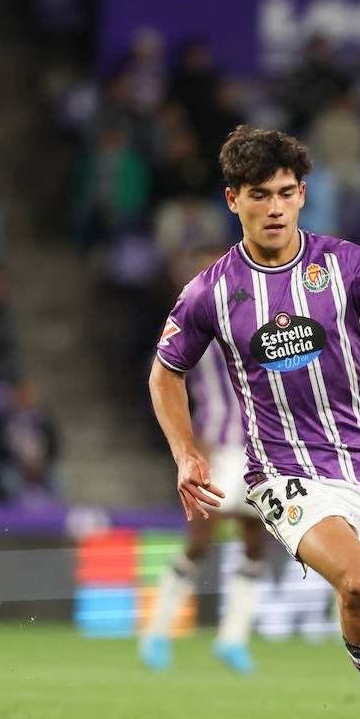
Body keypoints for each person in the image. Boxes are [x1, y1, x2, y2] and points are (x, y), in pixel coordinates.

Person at [149, 125, 360, 719]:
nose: (276, 207)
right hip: (282, 472)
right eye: (260, 195)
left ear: (303, 194)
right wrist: (186, 452)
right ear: (234, 200)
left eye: (287, 193)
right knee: (358, 584)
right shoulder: (210, 291)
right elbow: (164, 373)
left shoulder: (345, 264)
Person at [140, 251, 271, 675]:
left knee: (255, 540)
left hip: (261, 450)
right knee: (201, 539)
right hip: (221, 446)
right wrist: (197, 446)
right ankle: (157, 632)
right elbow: (170, 374)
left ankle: (233, 639)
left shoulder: (260, 316)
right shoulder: (201, 320)